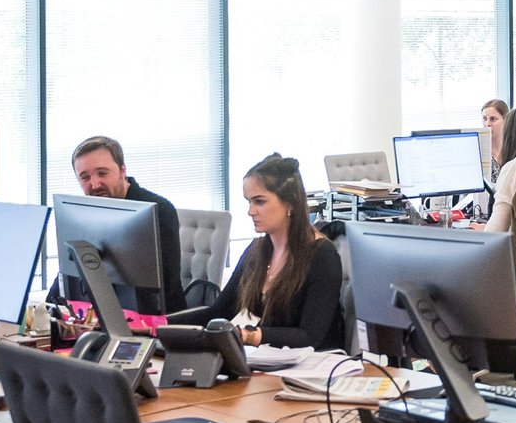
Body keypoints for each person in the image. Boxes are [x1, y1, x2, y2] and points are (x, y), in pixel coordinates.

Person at [203, 154, 344, 351]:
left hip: (308, 368)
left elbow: (309, 337)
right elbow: (217, 312)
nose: (251, 211)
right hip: (263, 362)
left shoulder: (322, 256)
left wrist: (247, 335)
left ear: (290, 204)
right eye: (249, 202)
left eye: (259, 202)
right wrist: (154, 325)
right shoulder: (256, 250)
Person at [65, 134, 183, 316]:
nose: (94, 184)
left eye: (102, 173)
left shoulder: (158, 210)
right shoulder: (85, 215)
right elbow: (70, 271)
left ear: (122, 170)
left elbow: (165, 283)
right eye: (85, 177)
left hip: (159, 321)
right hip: (102, 315)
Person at [480, 98, 509, 176]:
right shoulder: (479, 152)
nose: (487, 123)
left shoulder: (514, 151)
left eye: (493, 119)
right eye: (485, 119)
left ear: (505, 120)